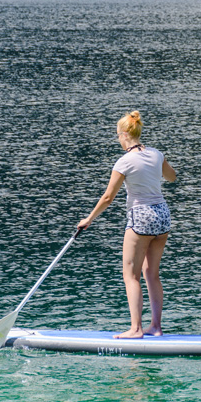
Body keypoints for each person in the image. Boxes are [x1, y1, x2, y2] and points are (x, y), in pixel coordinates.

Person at [78, 111, 177, 339]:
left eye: (118, 136)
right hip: (162, 216)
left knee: (131, 275)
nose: (118, 141)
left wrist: (89, 219)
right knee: (151, 273)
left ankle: (136, 329)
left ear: (124, 135)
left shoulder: (124, 161)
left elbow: (107, 198)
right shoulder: (156, 154)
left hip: (141, 218)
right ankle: (156, 327)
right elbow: (172, 177)